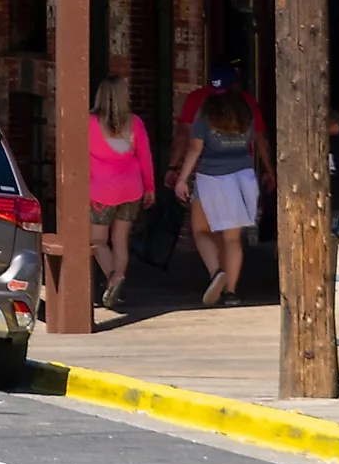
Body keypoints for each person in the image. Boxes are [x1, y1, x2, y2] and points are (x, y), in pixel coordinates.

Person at [173, 79, 271, 305]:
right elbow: (259, 141)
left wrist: (181, 178)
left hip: (211, 179)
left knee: (200, 231)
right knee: (233, 240)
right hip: (243, 178)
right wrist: (268, 169)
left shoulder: (206, 113)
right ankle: (231, 292)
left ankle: (216, 271)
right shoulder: (247, 112)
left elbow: (195, 148)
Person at [87, 75, 154, 310]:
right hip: (132, 188)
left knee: (97, 240)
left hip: (101, 191)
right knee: (120, 241)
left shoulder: (90, 124)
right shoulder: (135, 123)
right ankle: (118, 287)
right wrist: (150, 187)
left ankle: (114, 278)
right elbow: (145, 158)